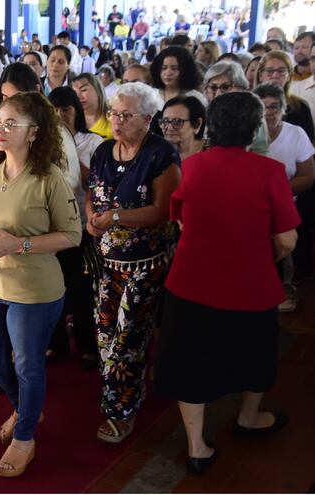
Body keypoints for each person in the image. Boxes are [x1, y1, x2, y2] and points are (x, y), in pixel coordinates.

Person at [154, 92, 299, 475]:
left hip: (190, 284)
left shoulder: (194, 166)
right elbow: (286, 239)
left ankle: (196, 446)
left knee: (191, 364)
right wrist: (266, 256)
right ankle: (248, 418)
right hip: (251, 286)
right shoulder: (269, 170)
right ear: (254, 129)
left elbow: (180, 219)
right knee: (255, 356)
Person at [0, 92, 81, 478]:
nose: (0, 129)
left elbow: (72, 235)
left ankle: (25, 436)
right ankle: (25, 408)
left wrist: (19, 244)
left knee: (29, 365)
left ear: (33, 133)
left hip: (35, 291)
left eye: (10, 124)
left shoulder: (48, 177)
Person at [87, 82, 180, 443]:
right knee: (105, 333)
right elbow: (92, 196)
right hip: (107, 260)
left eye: (126, 115)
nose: (117, 121)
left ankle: (121, 411)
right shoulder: (103, 152)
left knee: (128, 337)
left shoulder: (161, 155)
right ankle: (128, 391)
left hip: (145, 263)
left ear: (148, 118)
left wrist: (113, 219)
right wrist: (92, 217)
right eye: (114, 113)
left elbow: (162, 211)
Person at [47, 86, 104, 369]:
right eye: (54, 110)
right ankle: (55, 343)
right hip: (50, 227)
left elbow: (96, 183)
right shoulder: (43, 142)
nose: (60, 115)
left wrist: (69, 155)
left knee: (81, 289)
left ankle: (87, 344)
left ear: (76, 112)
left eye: (66, 110)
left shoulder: (93, 142)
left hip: (81, 225)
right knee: (53, 288)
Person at [253, 82, 315, 312]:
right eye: (263, 107)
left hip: (285, 202)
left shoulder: (295, 134)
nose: (268, 112)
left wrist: (277, 193)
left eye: (274, 106)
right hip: (252, 204)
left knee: (283, 241)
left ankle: (285, 287)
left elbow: (308, 176)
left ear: (284, 108)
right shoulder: (245, 134)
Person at [160, 96, 206, 161]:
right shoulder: (158, 154)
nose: (169, 128)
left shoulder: (213, 153)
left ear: (197, 124)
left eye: (177, 121)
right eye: (165, 121)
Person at [72, 73, 113, 139]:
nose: (78, 96)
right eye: (74, 93)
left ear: (98, 90)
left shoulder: (114, 118)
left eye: (83, 90)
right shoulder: (72, 121)